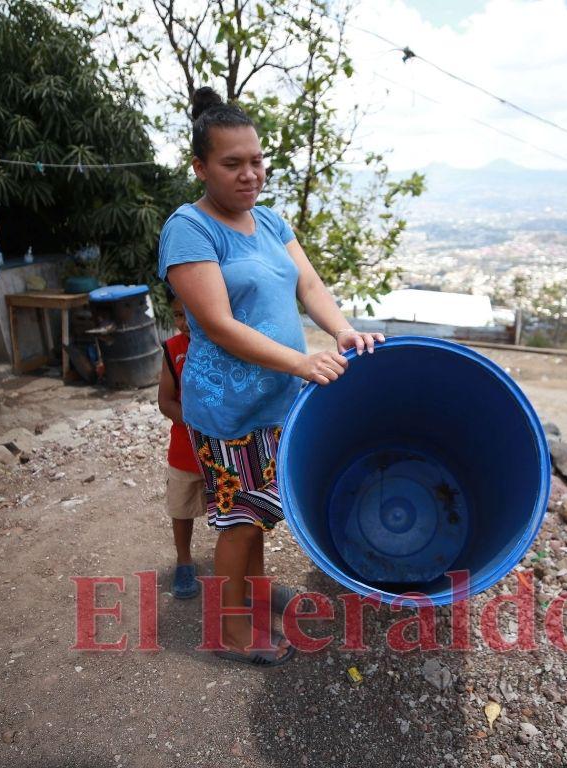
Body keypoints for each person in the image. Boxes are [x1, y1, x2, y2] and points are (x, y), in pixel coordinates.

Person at [158, 86, 384, 666]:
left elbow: (307, 285)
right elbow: (218, 323)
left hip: (277, 400)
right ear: (200, 167)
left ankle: (252, 601)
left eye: (256, 160)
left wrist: (341, 331)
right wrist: (302, 362)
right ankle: (229, 632)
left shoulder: (271, 220)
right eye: (232, 163)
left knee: (258, 513)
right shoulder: (189, 229)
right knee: (237, 524)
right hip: (229, 407)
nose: (249, 174)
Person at [157, 287, 206, 600]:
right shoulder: (172, 349)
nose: (185, 322)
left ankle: (236, 564)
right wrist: (195, 421)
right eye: (177, 314)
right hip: (186, 450)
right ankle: (184, 560)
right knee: (181, 507)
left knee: (231, 510)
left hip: (223, 448)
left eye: (191, 312)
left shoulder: (223, 345)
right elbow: (165, 401)